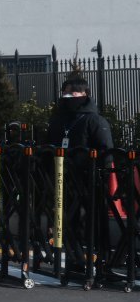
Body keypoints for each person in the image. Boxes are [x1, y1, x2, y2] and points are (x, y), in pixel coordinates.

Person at [45, 76, 114, 280]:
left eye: (74, 93)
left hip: (89, 179)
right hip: (63, 179)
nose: (69, 97)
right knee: (68, 220)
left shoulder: (94, 120)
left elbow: (106, 151)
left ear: (85, 95)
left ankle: (102, 261)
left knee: (94, 219)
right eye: (66, 93)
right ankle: (74, 260)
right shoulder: (58, 119)